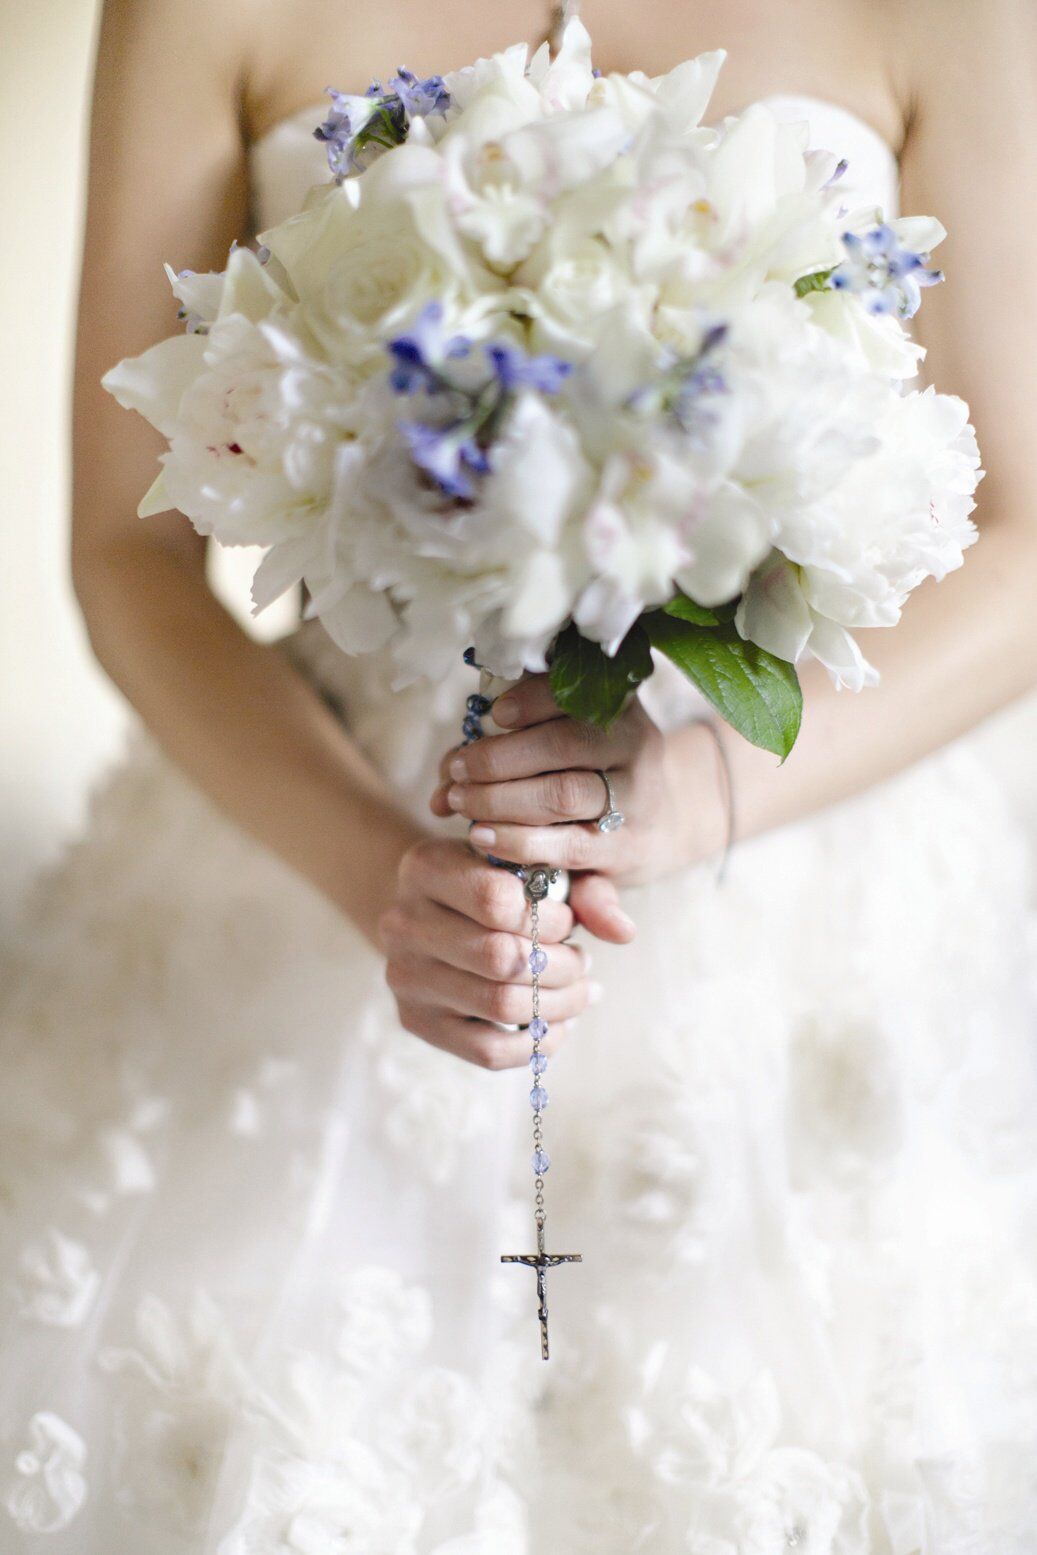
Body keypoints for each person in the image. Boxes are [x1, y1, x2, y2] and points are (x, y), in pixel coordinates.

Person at [2, 0, 1036, 1548]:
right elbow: (122, 550)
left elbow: (1023, 540)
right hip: (330, 851)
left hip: (814, 872)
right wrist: (386, 882)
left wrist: (689, 793)